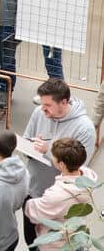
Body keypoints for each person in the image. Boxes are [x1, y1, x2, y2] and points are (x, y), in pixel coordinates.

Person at [22, 78, 96, 247]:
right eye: (42, 103)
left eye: (48, 105)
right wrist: (30, 147)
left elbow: (78, 168)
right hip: (34, 190)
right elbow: (26, 139)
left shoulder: (84, 129)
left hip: (62, 204)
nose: (43, 109)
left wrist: (47, 150)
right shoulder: (39, 113)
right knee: (31, 242)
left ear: (63, 102)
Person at [25, 138, 98, 251]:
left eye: (53, 156)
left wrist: (25, 199)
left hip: (56, 245)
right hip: (76, 239)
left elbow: (34, 212)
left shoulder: (57, 195)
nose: (51, 157)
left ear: (62, 165)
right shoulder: (88, 178)